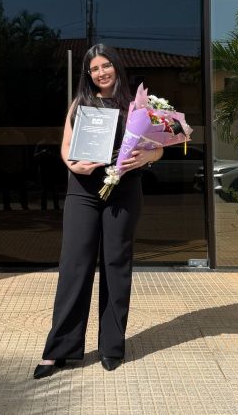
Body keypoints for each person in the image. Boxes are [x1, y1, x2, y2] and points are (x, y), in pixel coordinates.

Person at [34, 44, 163, 379]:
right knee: (74, 265)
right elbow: (66, 146)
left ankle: (111, 347)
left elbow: (158, 147)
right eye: (94, 69)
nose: (101, 73)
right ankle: (59, 349)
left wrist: (147, 157)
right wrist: (73, 165)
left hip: (125, 191)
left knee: (116, 265)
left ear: (116, 67)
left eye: (105, 66)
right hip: (83, 191)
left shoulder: (137, 105)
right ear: (88, 74)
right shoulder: (81, 103)